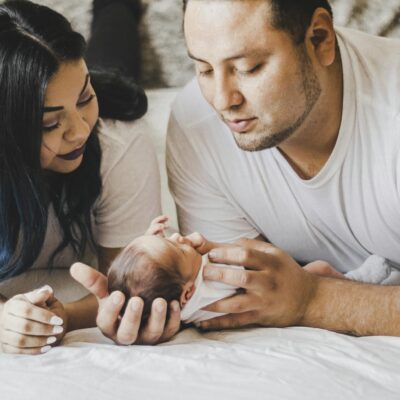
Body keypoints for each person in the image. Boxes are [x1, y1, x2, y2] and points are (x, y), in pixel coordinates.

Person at [164, 0, 400, 337]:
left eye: (248, 68)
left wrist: (312, 299)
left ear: (319, 39)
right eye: (203, 69)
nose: (221, 100)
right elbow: (239, 293)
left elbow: (288, 297)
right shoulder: (196, 124)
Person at [0, 0, 172, 355]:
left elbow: (126, 285)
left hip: (107, 96)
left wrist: (65, 316)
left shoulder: (116, 140)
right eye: (50, 123)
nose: (78, 132)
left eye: (84, 98)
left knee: (115, 65)